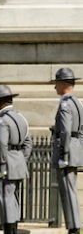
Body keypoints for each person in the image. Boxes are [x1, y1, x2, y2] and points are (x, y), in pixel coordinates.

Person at [0, 85, 32, 234]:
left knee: (5, 199)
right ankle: (13, 228)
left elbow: (1, 145)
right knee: (13, 199)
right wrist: (19, 160)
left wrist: (2, 167)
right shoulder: (21, 118)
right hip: (18, 163)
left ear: (1, 102)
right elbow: (28, 144)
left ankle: (9, 230)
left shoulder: (2, 121)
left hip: (6, 165)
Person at [52, 68, 83, 234]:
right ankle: (75, 226)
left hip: (66, 152)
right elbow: (82, 130)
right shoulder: (78, 103)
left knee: (67, 193)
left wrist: (63, 155)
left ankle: (73, 228)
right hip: (74, 150)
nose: (55, 87)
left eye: (56, 83)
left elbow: (64, 131)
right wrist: (79, 150)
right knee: (71, 191)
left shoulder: (65, 103)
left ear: (63, 83)